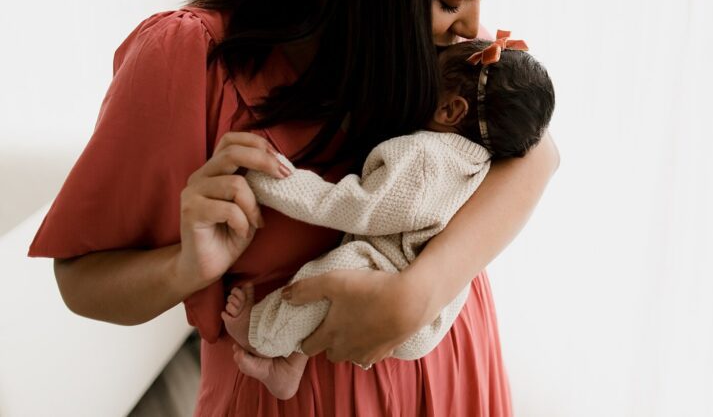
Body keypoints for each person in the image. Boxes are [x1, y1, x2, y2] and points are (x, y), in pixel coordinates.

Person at [26, 0, 560, 415]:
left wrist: (418, 294)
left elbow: (540, 152)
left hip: (455, 378)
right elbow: (80, 278)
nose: (475, 24)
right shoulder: (187, 59)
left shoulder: (436, 52)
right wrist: (185, 267)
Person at [220, 36, 555, 400]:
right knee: (334, 284)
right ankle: (291, 365)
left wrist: (266, 177)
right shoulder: (479, 154)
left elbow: (349, 206)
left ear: (449, 111)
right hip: (437, 304)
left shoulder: (425, 159)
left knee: (333, 274)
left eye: (432, 70)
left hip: (400, 288)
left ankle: (262, 335)